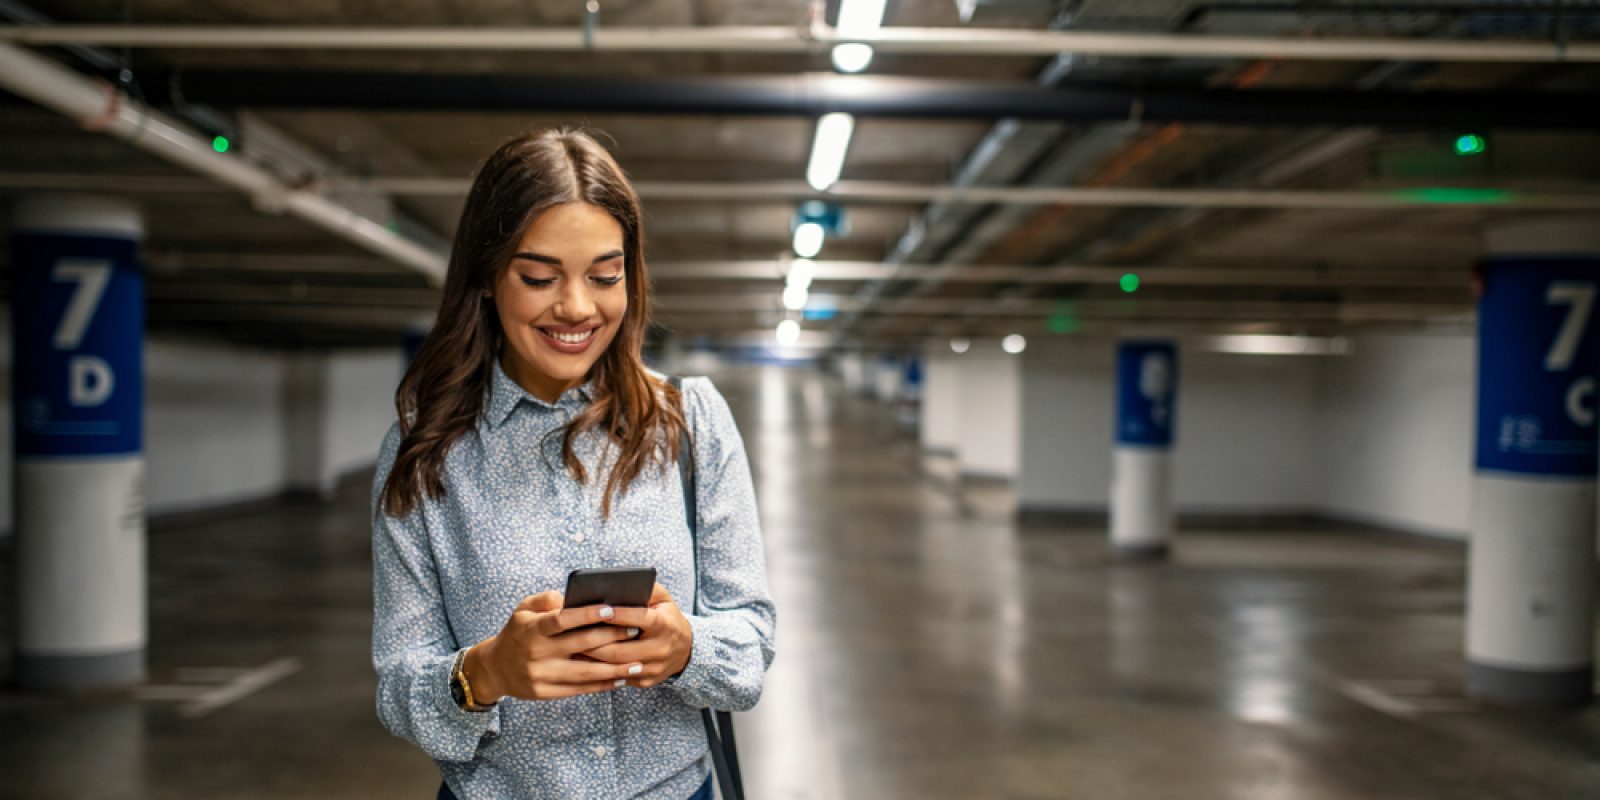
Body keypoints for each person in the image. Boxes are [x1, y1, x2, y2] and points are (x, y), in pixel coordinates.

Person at [370, 128, 776, 800]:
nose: (579, 308)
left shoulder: (689, 425)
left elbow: (751, 644)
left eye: (605, 276)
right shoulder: (425, 453)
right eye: (539, 277)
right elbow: (398, 687)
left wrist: (686, 648)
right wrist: (486, 673)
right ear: (486, 278)